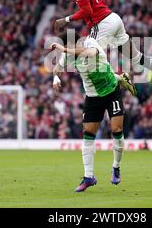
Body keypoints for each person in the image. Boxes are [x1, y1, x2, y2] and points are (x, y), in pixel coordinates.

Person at [51, 31, 129, 192]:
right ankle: (88, 177)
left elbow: (90, 53)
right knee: (88, 134)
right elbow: (57, 69)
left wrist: (64, 49)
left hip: (111, 91)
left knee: (117, 129)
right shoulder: (67, 55)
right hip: (93, 97)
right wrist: (56, 78)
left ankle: (116, 166)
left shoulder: (90, 43)